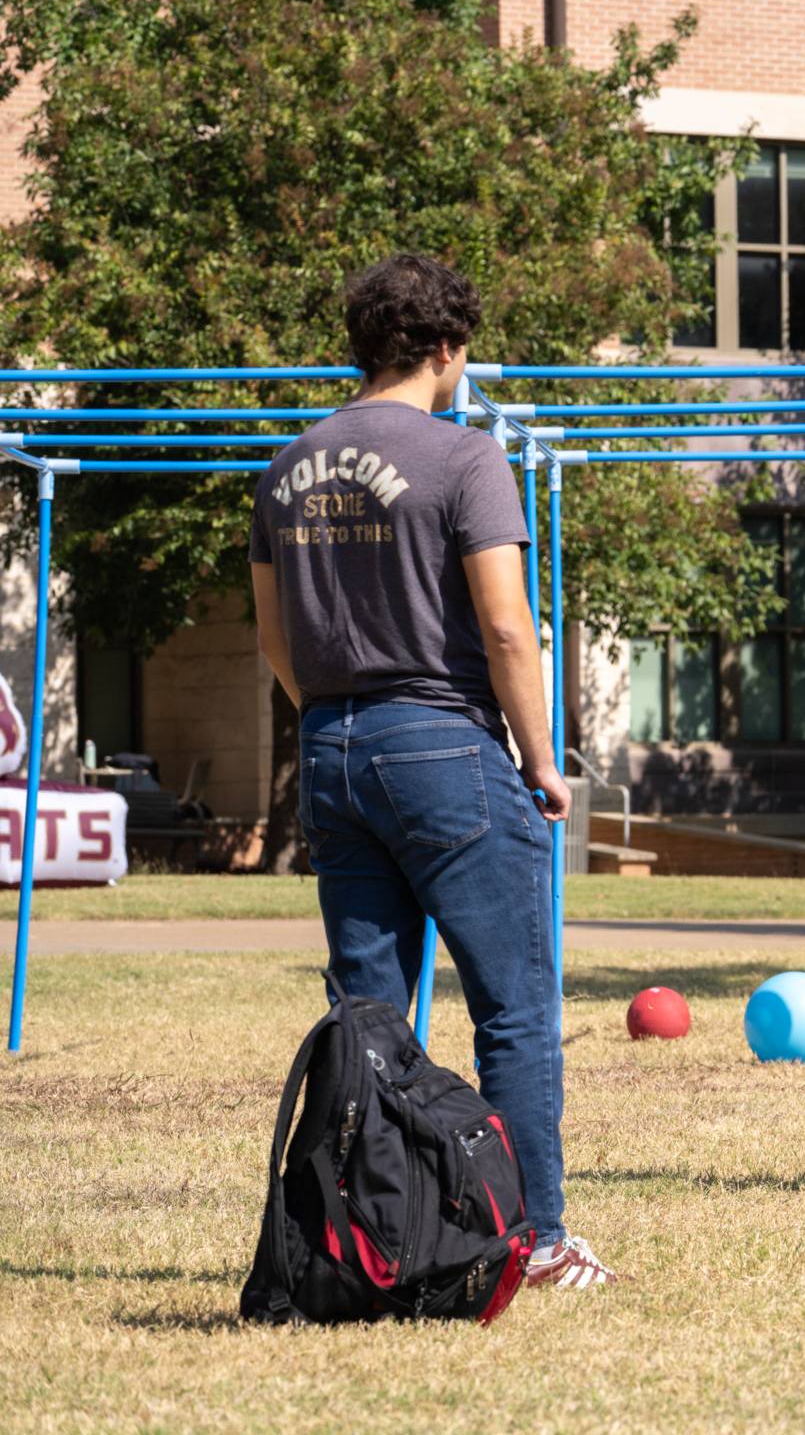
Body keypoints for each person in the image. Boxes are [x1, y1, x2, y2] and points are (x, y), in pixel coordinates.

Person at [248, 255, 614, 1288]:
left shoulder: (285, 468)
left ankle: (377, 1239)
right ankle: (533, 1240)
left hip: (331, 745)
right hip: (443, 741)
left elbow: (274, 638)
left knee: (368, 1018)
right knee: (513, 1008)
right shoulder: (464, 457)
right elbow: (505, 627)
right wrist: (540, 758)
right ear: (447, 349)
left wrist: (337, 723)